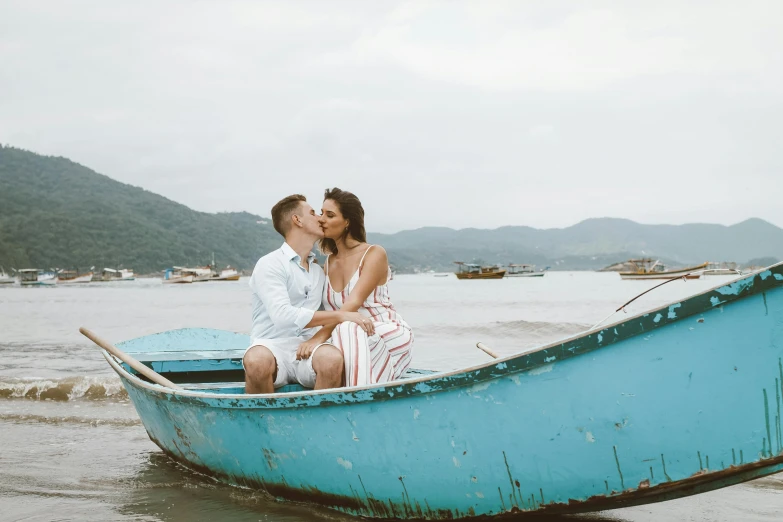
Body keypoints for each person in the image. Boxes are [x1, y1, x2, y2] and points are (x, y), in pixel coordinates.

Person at [243, 194, 374, 394]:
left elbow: (330, 308)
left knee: (332, 359)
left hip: (307, 347)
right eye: (313, 213)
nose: (320, 218)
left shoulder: (318, 271)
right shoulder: (270, 264)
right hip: (271, 345)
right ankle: (263, 423)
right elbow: (282, 316)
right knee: (256, 361)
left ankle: (320, 423)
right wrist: (342, 315)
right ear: (297, 220)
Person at [296, 188, 413, 387]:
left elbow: (352, 305)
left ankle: (355, 400)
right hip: (348, 339)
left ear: (348, 222)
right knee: (330, 349)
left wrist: (319, 337)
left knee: (348, 326)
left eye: (330, 215)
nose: (322, 219)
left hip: (384, 334)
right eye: (321, 213)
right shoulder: (328, 262)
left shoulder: (374, 253)